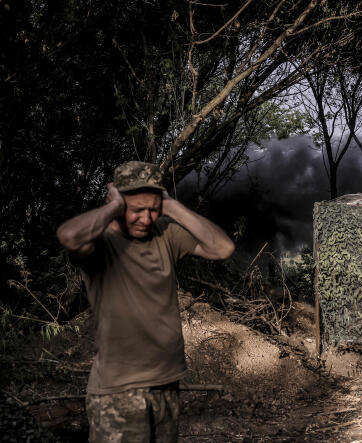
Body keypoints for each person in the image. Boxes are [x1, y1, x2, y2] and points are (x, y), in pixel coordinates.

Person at [56, 161, 235, 442]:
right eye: (137, 210)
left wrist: (172, 207)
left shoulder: (165, 233)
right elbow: (69, 237)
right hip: (118, 391)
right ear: (117, 202)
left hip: (166, 382)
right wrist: (114, 206)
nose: (146, 219)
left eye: (153, 209)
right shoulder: (101, 243)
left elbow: (223, 248)